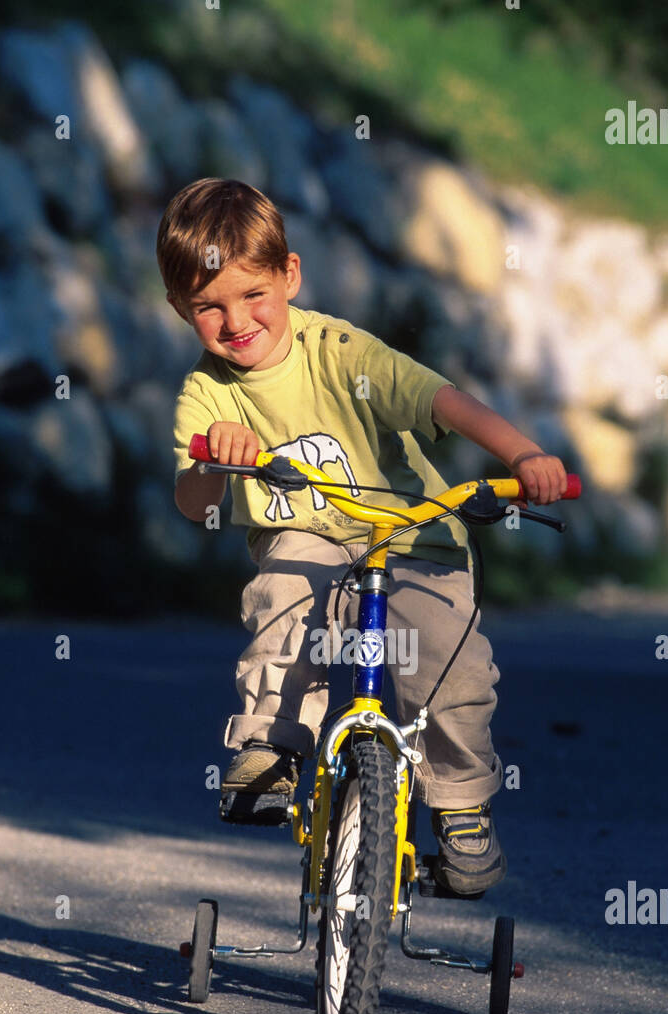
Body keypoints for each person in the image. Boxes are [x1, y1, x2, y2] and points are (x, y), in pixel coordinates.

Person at [158, 178, 566, 895]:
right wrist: (210, 461)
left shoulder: (340, 352)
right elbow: (193, 505)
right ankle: (271, 748)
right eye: (208, 307)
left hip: (412, 538)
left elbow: (441, 398)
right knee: (283, 594)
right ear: (179, 310)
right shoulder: (207, 393)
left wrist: (523, 454)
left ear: (290, 275)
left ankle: (461, 803)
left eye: (253, 293)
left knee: (447, 662)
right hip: (307, 543)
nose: (235, 320)